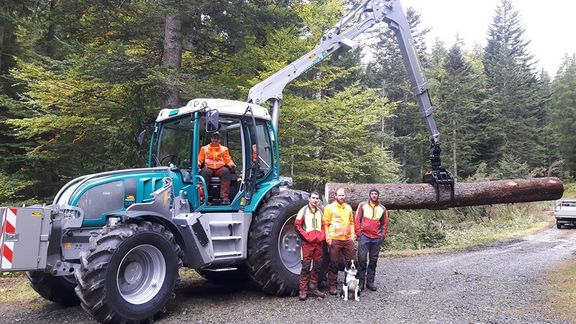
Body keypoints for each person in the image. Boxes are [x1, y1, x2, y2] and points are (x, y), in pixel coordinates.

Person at [323, 187, 356, 296]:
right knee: (333, 263)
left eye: (343, 195)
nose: (341, 197)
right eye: (339, 195)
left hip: (347, 239)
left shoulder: (348, 208)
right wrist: (328, 238)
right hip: (335, 239)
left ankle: (350, 284)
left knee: (351, 261)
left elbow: (351, 222)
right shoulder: (330, 208)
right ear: (335, 196)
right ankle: (332, 285)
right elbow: (325, 224)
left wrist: (352, 235)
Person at [294, 191, 327, 301]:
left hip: (318, 243)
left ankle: (313, 287)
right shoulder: (303, 210)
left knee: (317, 266)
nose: (315, 200)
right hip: (307, 244)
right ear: (309, 199)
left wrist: (322, 236)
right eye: (313, 198)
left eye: (317, 198)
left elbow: (324, 225)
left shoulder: (320, 212)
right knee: (305, 267)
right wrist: (306, 236)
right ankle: (303, 290)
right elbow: (297, 225)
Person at [354, 188, 388, 291]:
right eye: (372, 194)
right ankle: (360, 283)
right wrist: (359, 233)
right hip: (364, 236)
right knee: (362, 260)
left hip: (376, 238)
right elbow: (357, 220)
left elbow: (384, 223)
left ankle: (370, 282)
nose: (374, 195)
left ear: (378, 196)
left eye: (375, 194)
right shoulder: (362, 205)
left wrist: (382, 235)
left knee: (373, 261)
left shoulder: (382, 208)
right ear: (369, 195)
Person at [198, 131, 236, 204]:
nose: (215, 140)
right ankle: (203, 198)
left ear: (219, 140)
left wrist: (232, 165)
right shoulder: (204, 148)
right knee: (204, 173)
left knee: (226, 172)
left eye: (217, 138)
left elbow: (227, 159)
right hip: (208, 167)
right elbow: (200, 158)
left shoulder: (224, 149)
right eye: (214, 138)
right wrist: (198, 164)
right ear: (211, 139)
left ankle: (224, 197)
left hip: (220, 167)